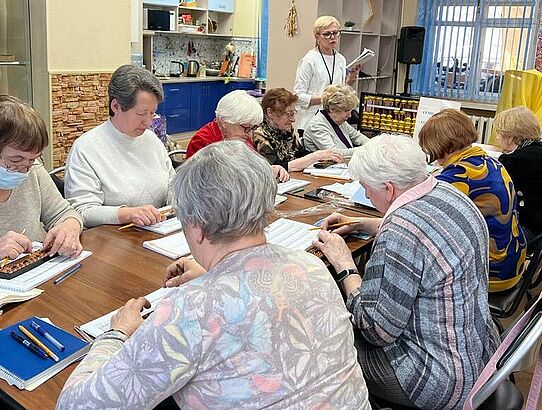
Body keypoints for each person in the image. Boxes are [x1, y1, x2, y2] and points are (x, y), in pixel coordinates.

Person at [57, 141, 370, 409]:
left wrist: (117, 335)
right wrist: (214, 277)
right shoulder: (311, 266)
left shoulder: (189, 310)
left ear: (198, 227)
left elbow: (75, 405)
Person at [313, 134, 499, 409]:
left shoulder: (401, 231)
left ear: (388, 189)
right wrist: (363, 223)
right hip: (478, 355)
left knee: (324, 344)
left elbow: (375, 329)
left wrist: (344, 265)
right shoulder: (450, 193)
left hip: (438, 379)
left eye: (366, 188)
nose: (366, 195)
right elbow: (425, 233)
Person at [419, 109, 526, 292]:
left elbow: (418, 218)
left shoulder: (458, 176)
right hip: (512, 260)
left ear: (441, 146)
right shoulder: (490, 162)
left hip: (491, 273)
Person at [64, 64, 176, 229]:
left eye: (152, 113)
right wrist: (127, 214)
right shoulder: (86, 148)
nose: (148, 122)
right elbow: (82, 211)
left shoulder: (152, 140)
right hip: (112, 238)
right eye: (141, 113)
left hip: (156, 230)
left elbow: (173, 185)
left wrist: (180, 200)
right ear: (115, 106)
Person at [0, 95, 83, 259]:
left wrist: (70, 227)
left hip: (39, 267)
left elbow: (63, 213)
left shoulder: (33, 169)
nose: (24, 170)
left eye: (32, 159)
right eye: (15, 160)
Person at [186, 89, 289, 181]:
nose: (250, 135)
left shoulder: (240, 136)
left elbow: (249, 167)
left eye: (253, 128)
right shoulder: (202, 142)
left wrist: (268, 170)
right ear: (224, 122)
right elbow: (209, 184)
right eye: (246, 127)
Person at [293, 16, 362, 134]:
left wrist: (350, 79)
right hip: (311, 122)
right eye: (327, 34)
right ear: (317, 37)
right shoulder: (310, 60)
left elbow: (340, 91)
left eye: (335, 33)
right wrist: (327, 99)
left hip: (335, 122)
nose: (332, 37)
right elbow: (298, 96)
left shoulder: (340, 59)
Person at [253, 87, 342, 171]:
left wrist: (323, 156)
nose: (293, 119)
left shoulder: (284, 128)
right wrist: (316, 156)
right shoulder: (258, 133)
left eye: (293, 113)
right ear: (270, 112)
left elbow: (299, 152)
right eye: (289, 114)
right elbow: (277, 167)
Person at [494, 106, 542, 241]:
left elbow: (497, 197)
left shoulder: (513, 161)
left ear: (510, 137)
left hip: (528, 229)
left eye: (499, 133)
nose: (497, 138)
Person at [303, 84, 369, 158]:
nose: (350, 115)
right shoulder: (316, 126)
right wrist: (365, 149)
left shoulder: (338, 120)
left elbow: (357, 136)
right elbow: (334, 153)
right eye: (346, 111)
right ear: (332, 109)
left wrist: (373, 144)